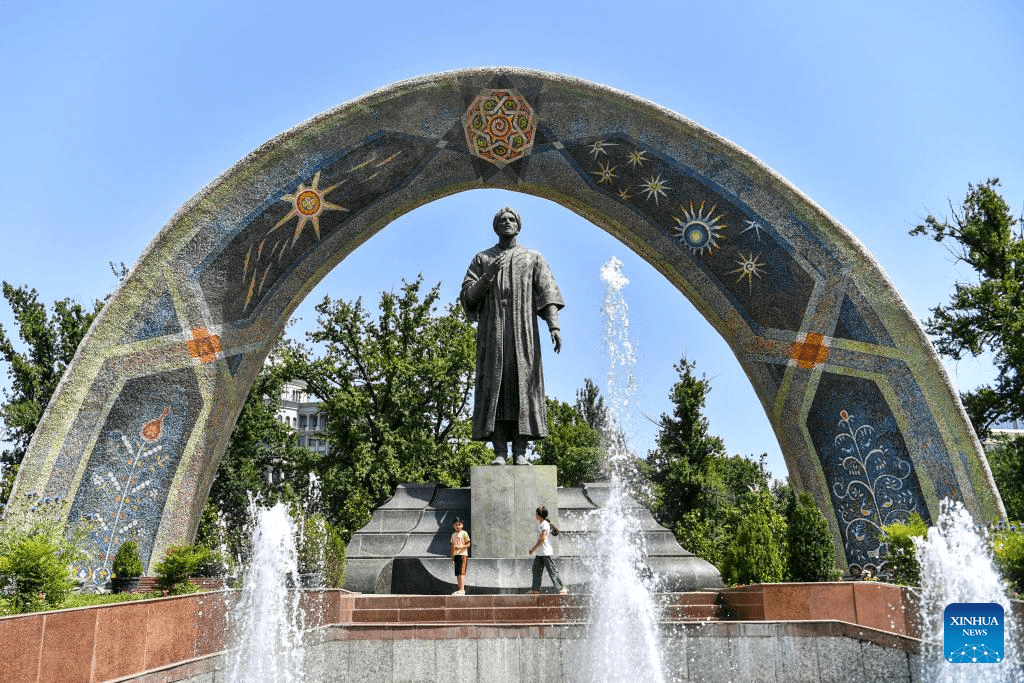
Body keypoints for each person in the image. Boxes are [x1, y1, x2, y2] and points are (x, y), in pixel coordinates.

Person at [460, 207, 565, 466]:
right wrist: (487, 277)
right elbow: (468, 296)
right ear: (495, 227)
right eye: (502, 220)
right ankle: (499, 452)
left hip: (524, 333)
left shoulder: (532, 258)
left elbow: (547, 293)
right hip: (492, 333)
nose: (507, 223)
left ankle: (520, 452)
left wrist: (554, 325)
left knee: (523, 388)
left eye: (511, 219)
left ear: (518, 226)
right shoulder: (482, 258)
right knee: (495, 386)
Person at [528, 505, 567, 594]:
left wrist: (533, 549)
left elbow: (543, 538)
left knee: (552, 570)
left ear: (539, 515)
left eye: (536, 513)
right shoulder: (543, 524)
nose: (535, 515)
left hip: (545, 552)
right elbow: (541, 539)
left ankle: (562, 588)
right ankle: (535, 590)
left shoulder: (545, 524)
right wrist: (535, 546)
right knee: (536, 569)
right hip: (541, 553)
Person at [450, 517, 470, 595]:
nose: (458, 526)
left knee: (462, 573)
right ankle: (459, 589)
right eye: (456, 525)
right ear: (453, 526)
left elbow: (468, 544)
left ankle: (462, 589)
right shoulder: (453, 535)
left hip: (463, 555)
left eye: (459, 524)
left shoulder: (464, 533)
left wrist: (460, 547)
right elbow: (452, 546)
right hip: (456, 555)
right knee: (457, 573)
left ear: (462, 525)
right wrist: (452, 556)